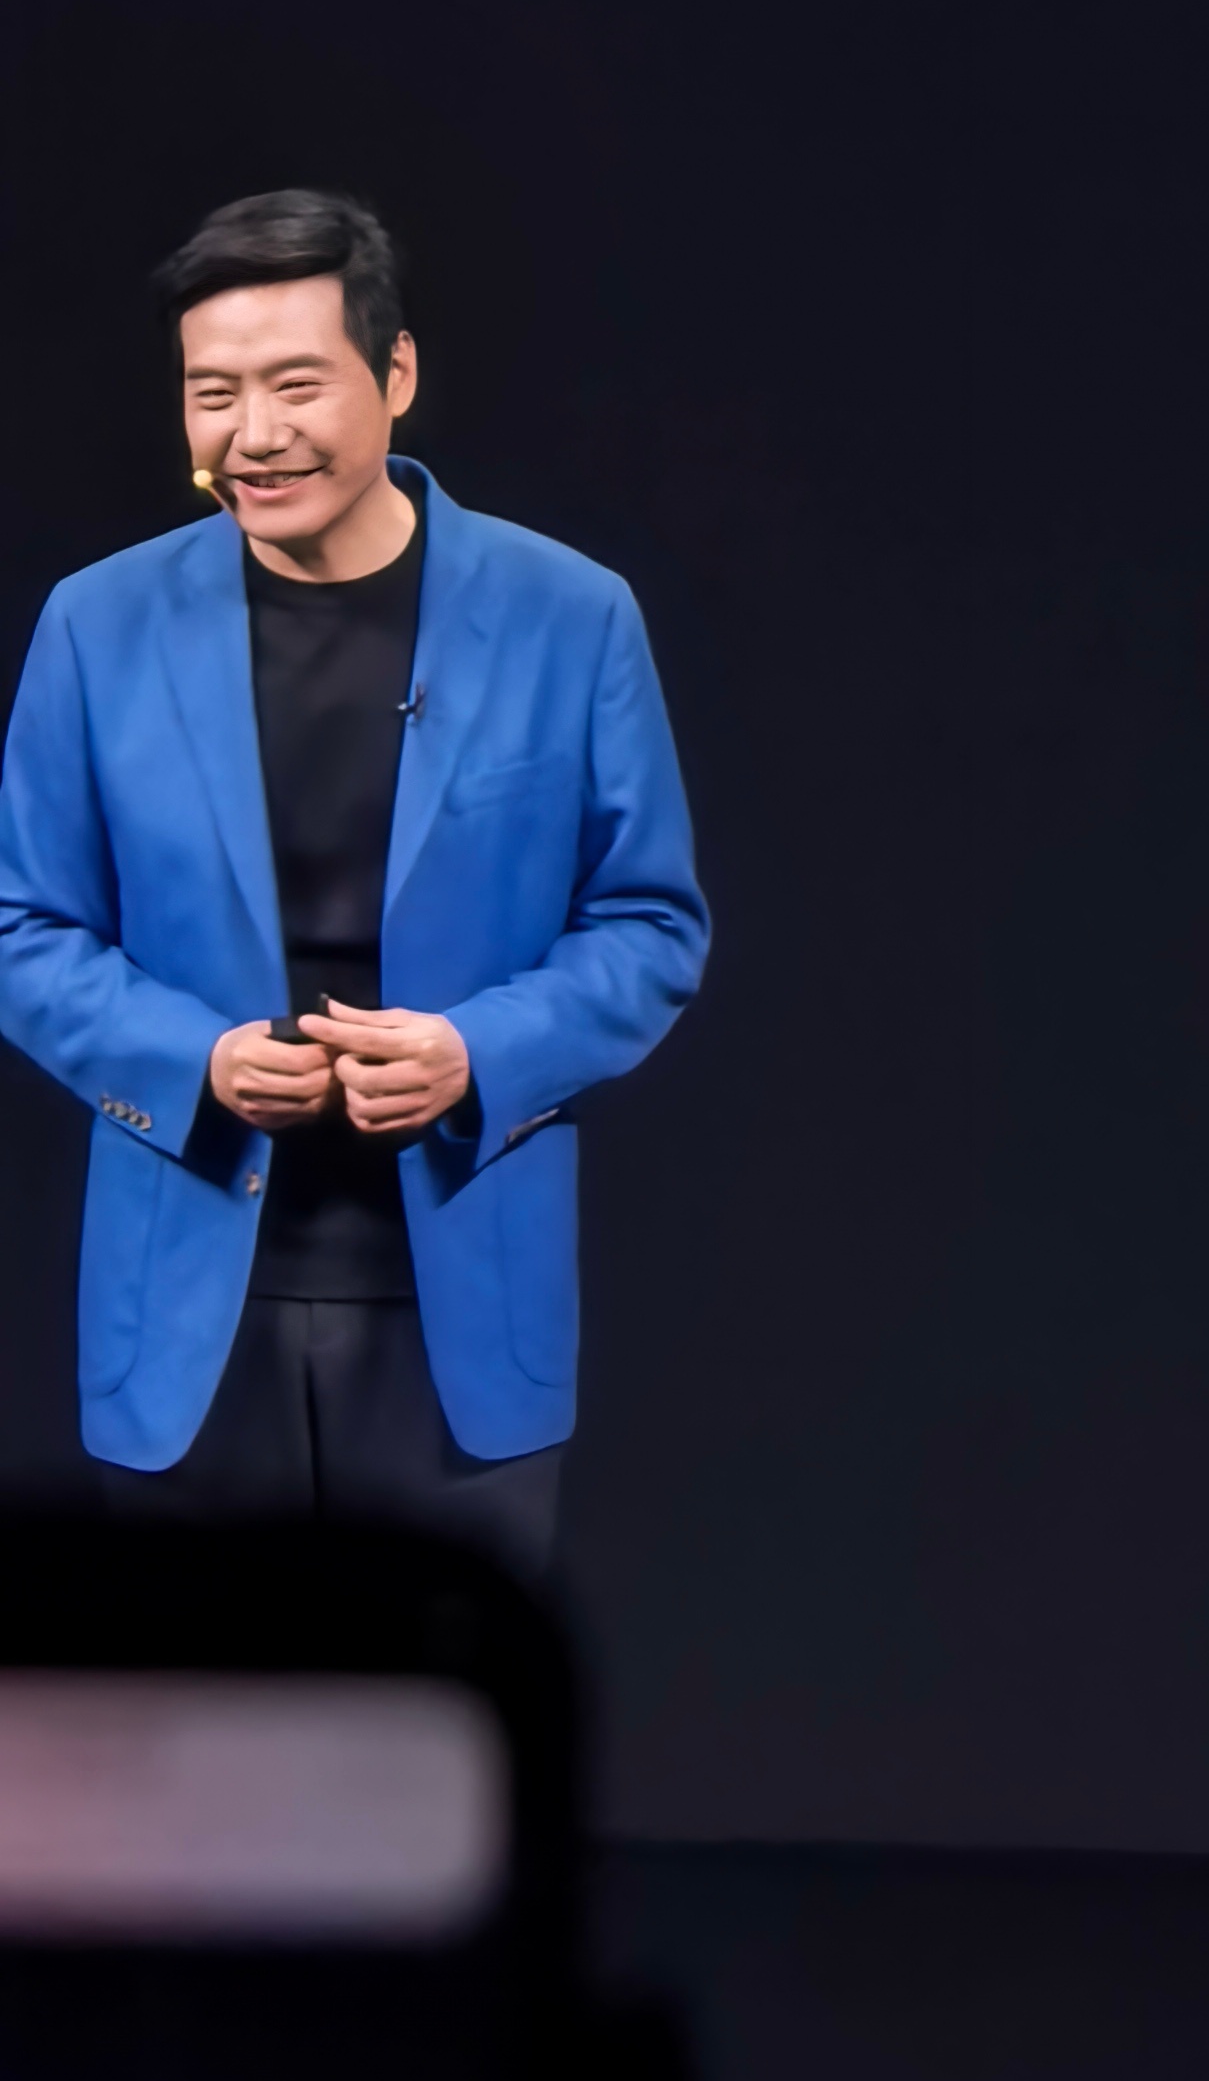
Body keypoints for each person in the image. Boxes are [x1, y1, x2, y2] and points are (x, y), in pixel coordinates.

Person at [0, 189, 708, 1576]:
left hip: (462, 1305)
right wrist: (196, 1059)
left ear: (396, 376)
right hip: (186, 1310)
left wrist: (474, 1052)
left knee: (433, 1708)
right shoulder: (96, 623)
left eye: (295, 385)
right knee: (191, 1707)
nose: (252, 435)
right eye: (213, 394)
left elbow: (649, 923)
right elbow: (22, 926)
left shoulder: (572, 616)